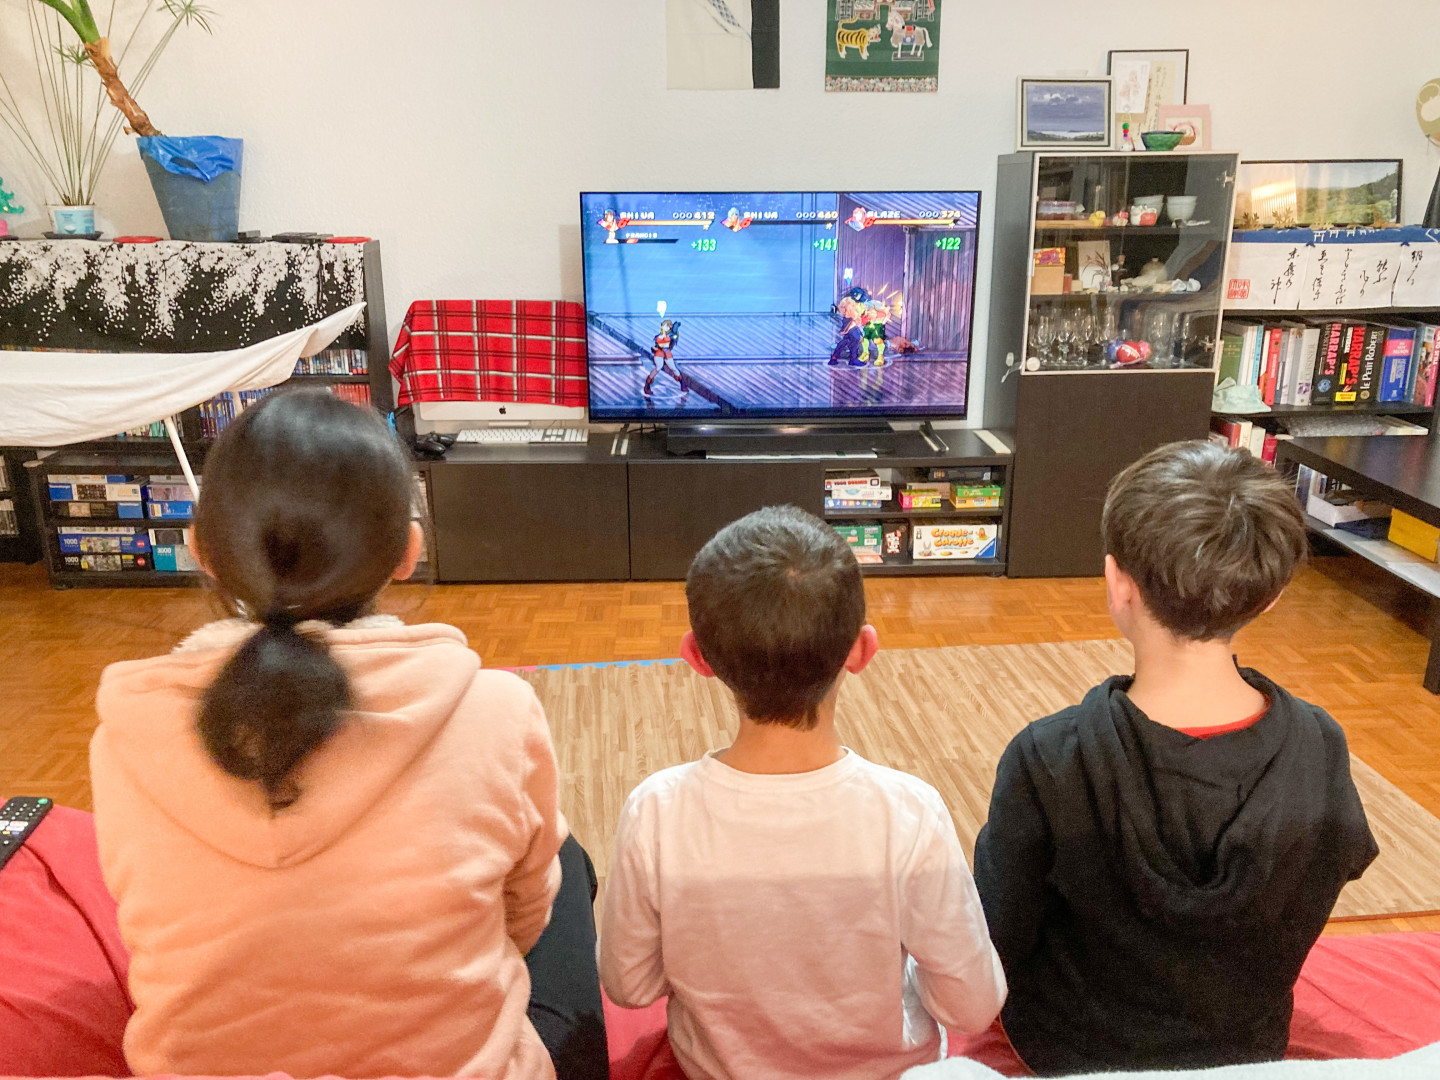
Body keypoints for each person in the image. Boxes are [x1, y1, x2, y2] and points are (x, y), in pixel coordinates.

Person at [89, 389, 607, 1080]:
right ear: (409, 551)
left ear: (200, 551)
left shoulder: (122, 736)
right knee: (564, 857)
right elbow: (525, 917)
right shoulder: (498, 709)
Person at [973, 440, 1379, 1076]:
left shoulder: (1047, 756)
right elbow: (1326, 878)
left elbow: (998, 933)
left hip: (1066, 1050)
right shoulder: (1320, 745)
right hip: (1246, 1048)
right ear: (1271, 596)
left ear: (1117, 584)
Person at [599, 505, 1007, 1080]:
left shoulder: (655, 811)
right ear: (862, 651)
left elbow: (629, 985)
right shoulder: (911, 813)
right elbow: (971, 1006)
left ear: (696, 656)